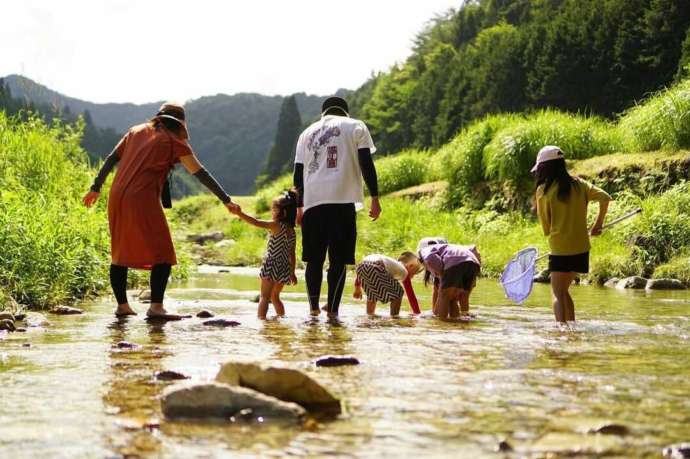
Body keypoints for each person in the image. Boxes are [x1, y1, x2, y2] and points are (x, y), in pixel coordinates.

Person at [83, 102, 238, 318]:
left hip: (116, 195)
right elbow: (200, 173)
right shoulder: (175, 141)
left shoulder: (135, 131)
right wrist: (226, 199)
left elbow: (111, 159)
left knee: (119, 250)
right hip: (142, 198)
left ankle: (122, 306)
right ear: (180, 124)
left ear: (159, 117)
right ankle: (156, 307)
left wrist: (95, 187)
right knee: (163, 252)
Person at [293, 96, 380, 319]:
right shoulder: (356, 126)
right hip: (342, 202)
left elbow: (298, 174)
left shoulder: (306, 134)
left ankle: (313, 311)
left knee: (314, 259)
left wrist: (298, 207)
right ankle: (332, 312)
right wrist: (375, 197)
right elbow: (366, 163)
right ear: (345, 112)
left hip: (312, 203)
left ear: (323, 113)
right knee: (338, 260)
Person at [532, 145, 611, 324]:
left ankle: (562, 331)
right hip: (581, 249)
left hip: (560, 249)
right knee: (564, 291)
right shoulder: (580, 184)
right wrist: (598, 224)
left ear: (545, 168)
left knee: (557, 292)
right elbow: (605, 197)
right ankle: (572, 329)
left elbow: (546, 227)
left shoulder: (543, 191)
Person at [230, 189, 298, 319]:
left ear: (282, 212)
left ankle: (261, 321)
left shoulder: (276, 225)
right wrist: (292, 272)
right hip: (284, 267)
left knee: (264, 297)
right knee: (275, 297)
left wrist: (240, 213)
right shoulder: (292, 231)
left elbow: (256, 222)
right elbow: (292, 254)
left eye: (274, 209)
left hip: (271, 264)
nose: (272, 212)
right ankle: (281, 319)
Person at [418, 243, 481, 320]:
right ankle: (460, 322)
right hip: (474, 263)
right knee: (454, 298)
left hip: (455, 262)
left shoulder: (423, 251)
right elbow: (475, 251)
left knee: (444, 295)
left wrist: (442, 274)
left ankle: (441, 324)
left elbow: (430, 258)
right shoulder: (447, 247)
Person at [353, 252, 422, 316]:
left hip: (361, 266)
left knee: (372, 294)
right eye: (413, 273)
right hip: (377, 266)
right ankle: (394, 317)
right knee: (398, 294)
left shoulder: (393, 265)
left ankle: (370, 315)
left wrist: (357, 287)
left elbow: (367, 265)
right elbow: (411, 295)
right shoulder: (404, 271)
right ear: (411, 266)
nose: (412, 277)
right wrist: (417, 313)